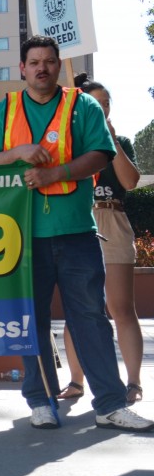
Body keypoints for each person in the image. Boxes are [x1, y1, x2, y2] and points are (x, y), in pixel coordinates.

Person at [0, 36, 152, 432]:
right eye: (34, 62)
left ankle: (109, 404)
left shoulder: (83, 105)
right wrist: (17, 153)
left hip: (76, 232)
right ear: (22, 68)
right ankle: (40, 401)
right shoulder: (3, 111)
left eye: (49, 61)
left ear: (59, 66)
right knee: (32, 321)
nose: (42, 68)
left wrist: (56, 172)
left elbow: (100, 154)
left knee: (90, 318)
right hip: (21, 238)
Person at [58, 77, 144, 405]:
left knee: (121, 308)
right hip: (78, 220)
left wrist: (111, 140)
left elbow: (131, 181)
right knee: (78, 308)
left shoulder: (119, 140)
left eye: (107, 101)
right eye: (97, 102)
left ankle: (133, 382)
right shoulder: (71, 141)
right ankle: (76, 381)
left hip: (113, 219)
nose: (104, 107)